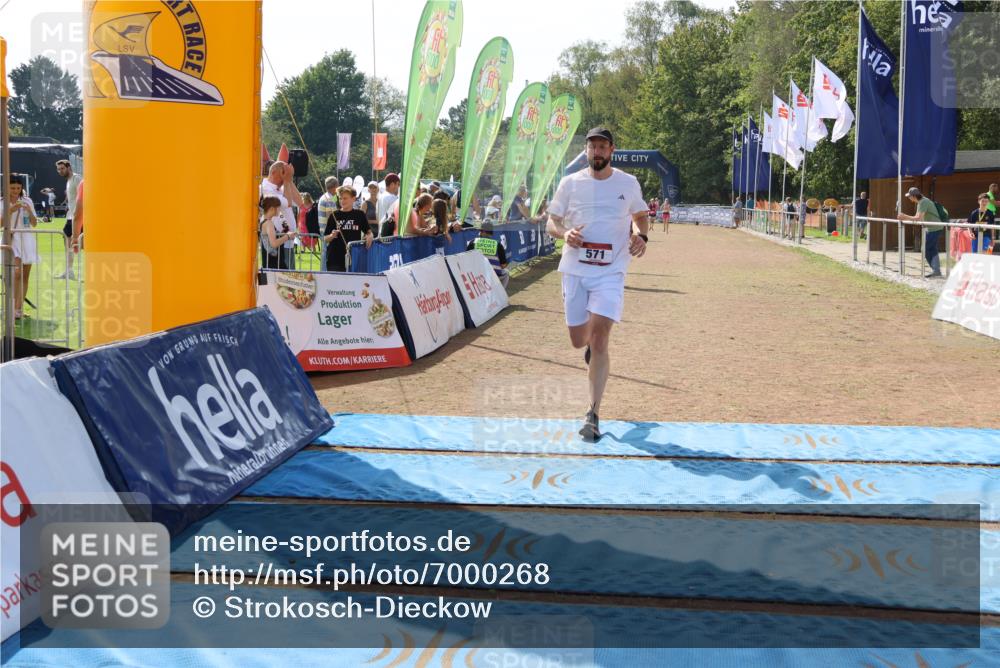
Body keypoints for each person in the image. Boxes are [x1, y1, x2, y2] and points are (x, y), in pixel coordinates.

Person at [545, 127, 649, 442]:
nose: (597, 152)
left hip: (611, 271)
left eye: (603, 147)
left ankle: (592, 413)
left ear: (611, 150)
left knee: (601, 338)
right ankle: (589, 349)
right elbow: (552, 221)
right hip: (575, 271)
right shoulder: (570, 183)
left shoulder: (627, 183)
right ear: (586, 151)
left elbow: (641, 215)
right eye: (593, 147)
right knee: (580, 340)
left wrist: (641, 236)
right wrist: (564, 234)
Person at [5, 177, 39, 319]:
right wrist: (11, 210)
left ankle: (19, 309)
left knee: (25, 275)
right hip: (12, 239)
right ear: (7, 187)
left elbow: (34, 223)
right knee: (16, 275)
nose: (15, 191)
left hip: (27, 239)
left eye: (18, 188)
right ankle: (11, 308)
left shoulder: (28, 200)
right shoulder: (3, 202)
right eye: (12, 188)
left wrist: (29, 211)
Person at [260, 161, 303, 270]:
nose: (284, 178)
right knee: (281, 283)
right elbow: (287, 203)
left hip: (288, 242)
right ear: (273, 172)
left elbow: (299, 202)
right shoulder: (265, 188)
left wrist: (290, 180)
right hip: (278, 243)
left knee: (291, 281)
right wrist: (287, 181)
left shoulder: (284, 187)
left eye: (286, 175)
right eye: (283, 174)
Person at [324, 185, 373, 272]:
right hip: (335, 259)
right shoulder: (334, 215)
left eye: (345, 198)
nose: (342, 201)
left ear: (353, 199)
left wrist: (370, 236)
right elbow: (325, 238)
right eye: (340, 198)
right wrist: (331, 236)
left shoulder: (359, 214)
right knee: (336, 285)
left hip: (353, 258)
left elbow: (368, 232)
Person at [899, 187, 945, 278]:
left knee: (926, 249)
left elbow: (918, 218)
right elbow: (917, 217)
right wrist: (908, 217)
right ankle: (936, 270)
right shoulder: (921, 202)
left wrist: (904, 216)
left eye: (909, 196)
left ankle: (936, 270)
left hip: (934, 228)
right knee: (931, 249)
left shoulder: (923, 202)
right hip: (932, 228)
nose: (909, 198)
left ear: (914, 196)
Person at [54, 159, 82, 280]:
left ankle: (70, 270)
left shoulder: (77, 178)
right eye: (58, 169)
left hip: (78, 217)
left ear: (69, 167)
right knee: (68, 240)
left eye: (62, 168)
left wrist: (77, 213)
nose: (60, 171)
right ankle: (69, 270)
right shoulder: (69, 181)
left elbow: (83, 196)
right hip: (71, 216)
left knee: (78, 243)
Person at [259, 195, 297, 269]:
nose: (280, 211)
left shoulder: (265, 222)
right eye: (278, 208)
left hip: (273, 262)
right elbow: (274, 243)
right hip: (274, 263)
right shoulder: (269, 223)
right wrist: (287, 236)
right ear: (272, 209)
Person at [467, 221, 509, 287]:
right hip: (494, 276)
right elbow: (503, 265)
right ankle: (501, 294)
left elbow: (467, 260)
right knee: (506, 272)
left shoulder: (473, 242)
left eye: (480, 230)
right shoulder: (497, 244)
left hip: (477, 275)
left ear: (483, 231)